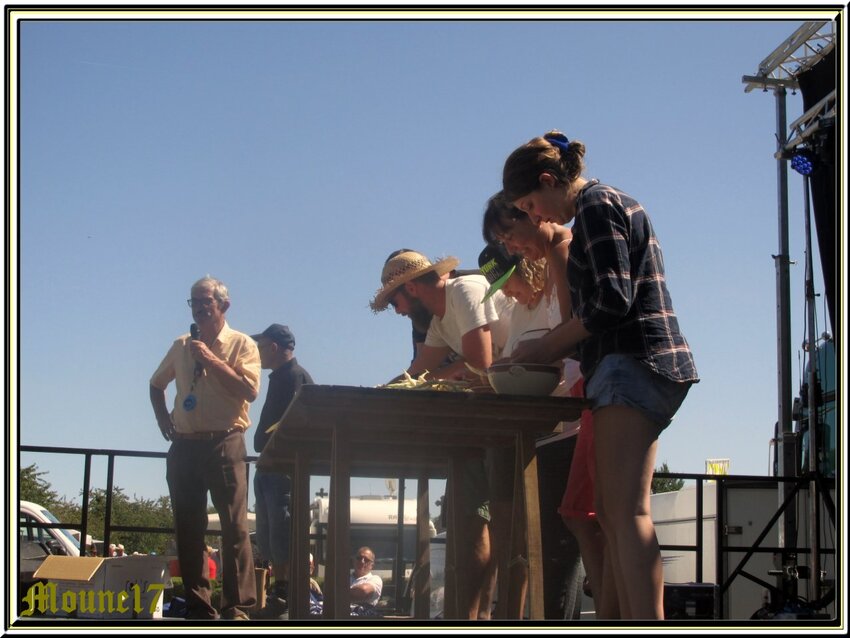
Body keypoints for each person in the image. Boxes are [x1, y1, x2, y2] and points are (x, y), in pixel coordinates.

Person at [502, 130, 699, 619]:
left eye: (530, 204)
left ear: (549, 181)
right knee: (615, 514)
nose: (533, 216)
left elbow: (613, 300)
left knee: (625, 514)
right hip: (640, 364)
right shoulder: (606, 202)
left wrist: (545, 346)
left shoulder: (594, 205)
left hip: (632, 362)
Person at [483, 193, 618, 619]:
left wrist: (532, 357)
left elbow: (574, 329)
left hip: (580, 412)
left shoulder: (562, 247)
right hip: (560, 417)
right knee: (579, 521)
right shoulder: (522, 297)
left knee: (595, 523)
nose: (510, 249)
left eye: (510, 239)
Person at [370, 249, 512, 619]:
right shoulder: (438, 322)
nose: (398, 312)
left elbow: (482, 365)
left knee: (508, 523)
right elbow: (417, 373)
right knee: (472, 522)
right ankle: (472, 618)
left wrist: (422, 382)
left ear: (412, 288)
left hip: (516, 417)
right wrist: (378, 395)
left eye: (396, 301)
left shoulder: (464, 289)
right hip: (488, 421)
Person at [149, 275, 261, 620]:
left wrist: (211, 359)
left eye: (205, 302)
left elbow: (249, 391)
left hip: (225, 442)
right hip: (184, 445)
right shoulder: (182, 344)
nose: (198, 308)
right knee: (188, 526)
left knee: (234, 526)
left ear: (223, 306)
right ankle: (199, 606)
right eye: (193, 302)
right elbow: (156, 384)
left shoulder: (242, 344)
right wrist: (162, 421)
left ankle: (236, 606)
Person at [250, 323, 314, 619]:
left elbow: (307, 421)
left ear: (273, 347)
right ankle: (278, 590)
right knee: (267, 530)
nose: (258, 353)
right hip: (268, 462)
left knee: (281, 526)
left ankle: (285, 590)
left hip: (284, 465)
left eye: (261, 346)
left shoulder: (296, 377)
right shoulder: (280, 377)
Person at [349, 546, 382, 617]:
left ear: (372, 565)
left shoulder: (375, 579)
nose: (362, 561)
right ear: (354, 560)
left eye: (366, 560)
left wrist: (338, 594)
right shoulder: (343, 577)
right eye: (359, 558)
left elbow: (363, 591)